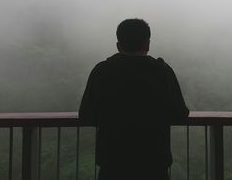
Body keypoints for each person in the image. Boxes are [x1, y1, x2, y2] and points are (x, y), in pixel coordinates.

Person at [79, 18, 189, 180]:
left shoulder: (102, 71)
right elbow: (180, 114)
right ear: (148, 44)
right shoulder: (162, 72)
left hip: (113, 163)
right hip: (154, 163)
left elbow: (86, 115)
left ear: (118, 45)